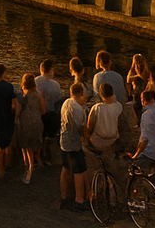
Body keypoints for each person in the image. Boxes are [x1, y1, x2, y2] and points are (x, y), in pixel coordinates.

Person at [59, 82, 90, 212]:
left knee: (66, 168)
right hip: (73, 143)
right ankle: (79, 200)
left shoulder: (66, 103)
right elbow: (80, 127)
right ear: (80, 93)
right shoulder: (77, 108)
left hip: (64, 141)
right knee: (79, 170)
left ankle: (64, 198)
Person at [84, 82, 123, 184]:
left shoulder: (97, 108)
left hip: (98, 141)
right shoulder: (118, 106)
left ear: (100, 95)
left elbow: (90, 126)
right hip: (113, 140)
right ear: (112, 93)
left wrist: (87, 135)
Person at [15, 73, 46, 184]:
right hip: (37, 123)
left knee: (25, 148)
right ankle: (30, 168)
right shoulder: (39, 95)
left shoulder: (20, 97)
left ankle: (28, 170)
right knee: (31, 147)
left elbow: (17, 112)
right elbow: (43, 110)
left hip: (24, 124)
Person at [35, 59, 63, 163]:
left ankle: (39, 155)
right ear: (50, 70)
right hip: (51, 115)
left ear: (41, 69)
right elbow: (58, 99)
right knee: (49, 135)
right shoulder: (55, 84)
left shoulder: (35, 81)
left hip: (39, 114)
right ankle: (49, 156)